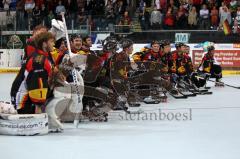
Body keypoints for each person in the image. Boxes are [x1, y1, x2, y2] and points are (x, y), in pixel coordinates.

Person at [13, 32, 55, 114]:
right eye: (51, 41)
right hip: (23, 102)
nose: (54, 44)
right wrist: (39, 109)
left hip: (30, 97)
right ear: (44, 44)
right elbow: (37, 86)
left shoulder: (44, 56)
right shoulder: (38, 60)